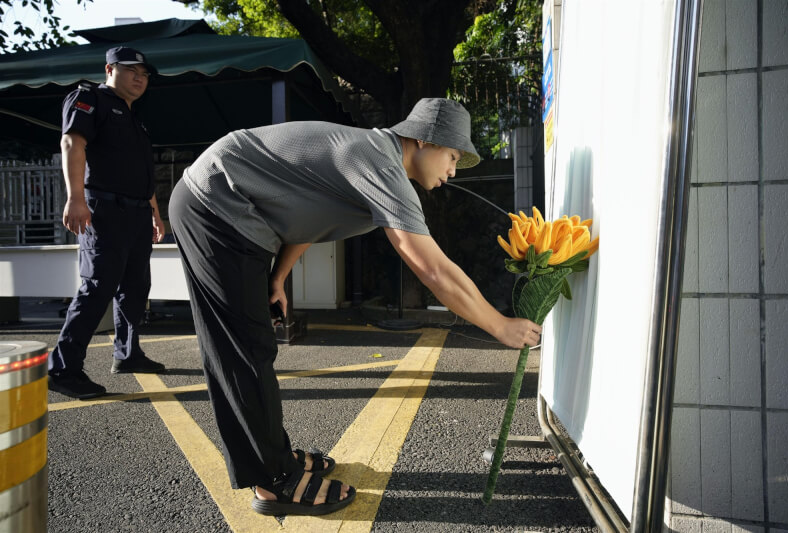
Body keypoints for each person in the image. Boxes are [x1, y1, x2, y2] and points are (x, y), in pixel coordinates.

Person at [168, 98, 542, 516]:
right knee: (243, 349)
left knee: (253, 345)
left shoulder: (376, 157)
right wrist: (499, 326)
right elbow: (433, 269)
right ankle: (273, 481)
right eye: (452, 156)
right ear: (422, 139)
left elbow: (309, 214)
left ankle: (278, 458)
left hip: (232, 206)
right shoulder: (381, 163)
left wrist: (278, 276)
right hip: (216, 201)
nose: (453, 170)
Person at [47, 46, 167, 400]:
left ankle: (127, 353)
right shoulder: (90, 99)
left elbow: (142, 175)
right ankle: (63, 369)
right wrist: (75, 198)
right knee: (97, 287)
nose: (140, 78)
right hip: (104, 209)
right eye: (132, 70)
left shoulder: (135, 118)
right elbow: (71, 142)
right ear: (109, 69)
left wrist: (156, 214)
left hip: (137, 214)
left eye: (144, 74)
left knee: (135, 288)